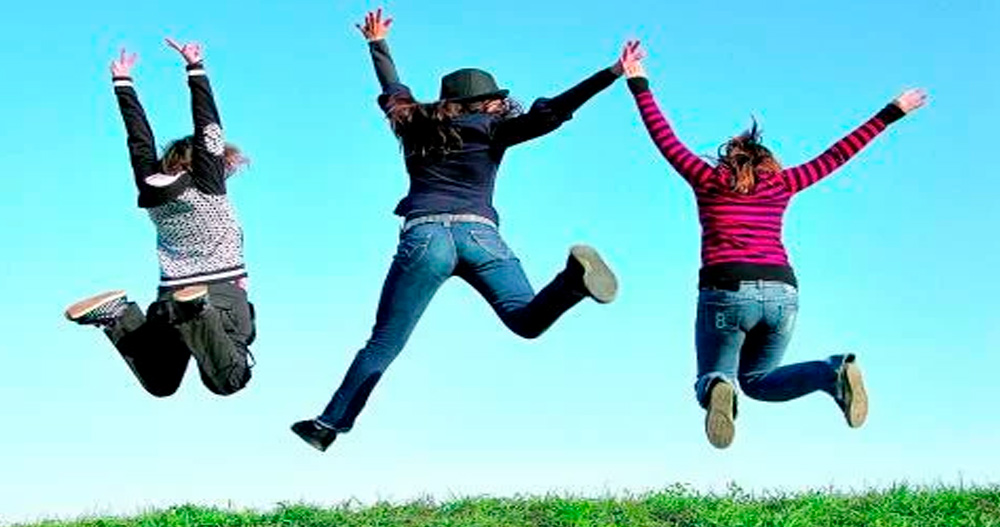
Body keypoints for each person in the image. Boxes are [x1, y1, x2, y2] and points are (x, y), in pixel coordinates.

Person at [291, 9, 633, 451]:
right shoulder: (495, 129)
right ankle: (571, 282)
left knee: (383, 343)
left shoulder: (413, 124)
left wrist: (377, 44)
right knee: (526, 321)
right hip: (479, 236)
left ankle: (327, 426)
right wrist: (609, 73)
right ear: (488, 102)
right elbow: (553, 113)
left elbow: (392, 89)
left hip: (424, 237)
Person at [621, 45, 926, 448]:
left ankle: (716, 386)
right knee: (760, 382)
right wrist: (891, 113)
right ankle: (829, 374)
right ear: (769, 164)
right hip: (783, 292)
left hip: (725, 288)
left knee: (715, 376)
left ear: (727, 160)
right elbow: (839, 153)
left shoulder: (706, 178)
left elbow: (665, 137)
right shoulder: (785, 182)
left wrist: (638, 83)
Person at [65, 39, 256, 398]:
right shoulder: (208, 185)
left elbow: (139, 141)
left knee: (161, 381)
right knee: (228, 379)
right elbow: (209, 129)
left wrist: (124, 84)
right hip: (220, 294)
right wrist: (195, 69)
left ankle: (118, 315)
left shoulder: (149, 189)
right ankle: (196, 310)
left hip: (168, 297)